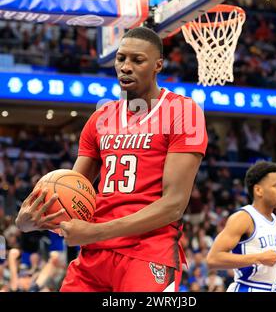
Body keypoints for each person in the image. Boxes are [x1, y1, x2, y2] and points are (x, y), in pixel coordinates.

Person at [15, 27, 208, 292]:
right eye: (121, 59)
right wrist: (30, 222)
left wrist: (96, 232)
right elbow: (71, 191)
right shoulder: (100, 118)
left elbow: (173, 205)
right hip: (94, 256)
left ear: (157, 66)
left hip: (148, 253)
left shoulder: (183, 112)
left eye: (137, 60)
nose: (125, 67)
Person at [206, 161, 276, 292]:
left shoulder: (275, 221)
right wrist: (258, 258)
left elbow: (269, 255)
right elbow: (213, 259)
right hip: (246, 287)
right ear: (258, 190)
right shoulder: (244, 217)